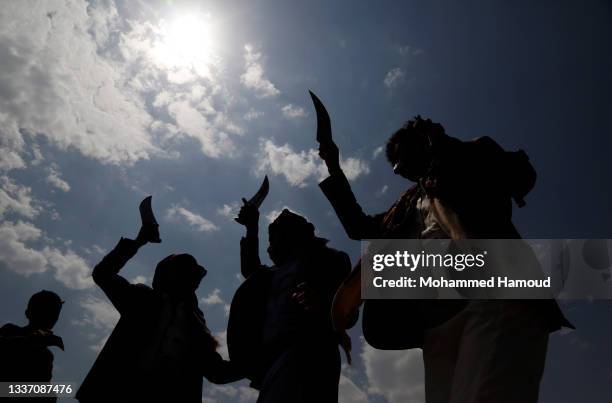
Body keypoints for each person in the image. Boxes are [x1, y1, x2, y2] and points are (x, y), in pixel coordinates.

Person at [317, 116, 573, 403]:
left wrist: (441, 142)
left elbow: (520, 177)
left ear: (422, 143)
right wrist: (333, 167)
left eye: (403, 157)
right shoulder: (402, 209)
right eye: (397, 168)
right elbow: (358, 227)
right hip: (437, 325)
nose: (402, 170)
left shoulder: (467, 158)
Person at [76, 199, 242, 403]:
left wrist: (259, 363)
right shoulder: (142, 299)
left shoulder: (196, 324)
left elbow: (217, 372)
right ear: (167, 275)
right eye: (185, 270)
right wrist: (139, 241)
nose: (193, 278)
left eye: (195, 274)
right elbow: (103, 274)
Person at [228, 204, 353, 403]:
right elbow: (251, 270)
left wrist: (320, 302)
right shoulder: (270, 275)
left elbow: (347, 311)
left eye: (281, 234)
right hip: (272, 359)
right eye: (272, 236)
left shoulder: (330, 260)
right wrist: (252, 227)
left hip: (312, 352)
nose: (274, 242)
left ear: (302, 234)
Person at [0, 290, 64, 402]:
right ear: (28, 313)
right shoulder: (9, 331)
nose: (50, 317)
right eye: (44, 310)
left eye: (54, 313)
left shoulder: (45, 356)